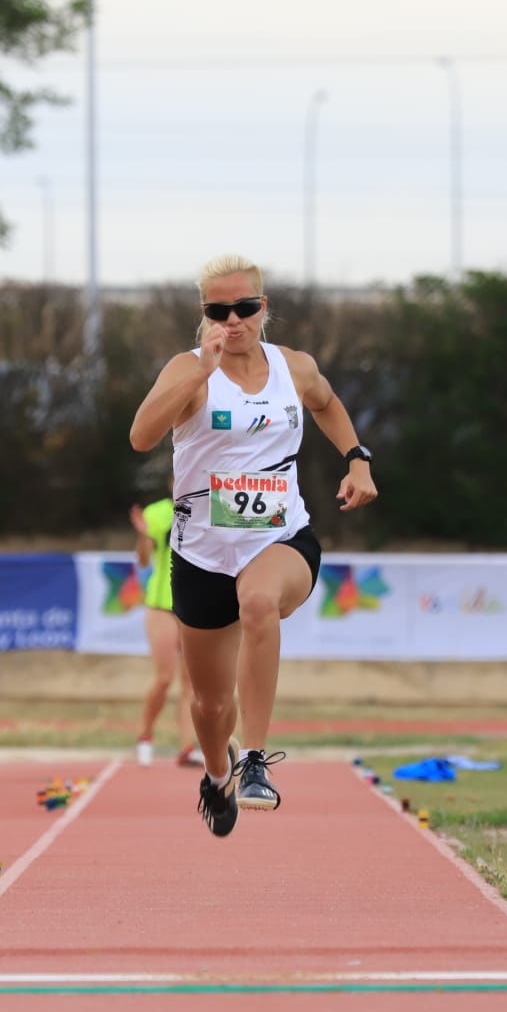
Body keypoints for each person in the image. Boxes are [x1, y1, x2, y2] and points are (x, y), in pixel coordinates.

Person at [129, 254, 378, 837]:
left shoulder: (294, 366)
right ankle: (217, 774)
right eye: (220, 311)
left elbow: (327, 404)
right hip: (203, 555)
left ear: (264, 308)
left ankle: (256, 761)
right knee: (210, 708)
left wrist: (358, 459)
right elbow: (142, 436)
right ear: (205, 315)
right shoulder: (188, 368)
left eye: (245, 308)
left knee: (261, 603)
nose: (233, 320)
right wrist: (198, 373)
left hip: (281, 534)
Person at [129, 488, 201, 769]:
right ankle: (145, 735)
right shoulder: (158, 512)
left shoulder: (210, 506)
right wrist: (143, 534)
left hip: (194, 606)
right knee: (164, 678)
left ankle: (187, 746)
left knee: (193, 684)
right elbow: (144, 560)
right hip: (162, 606)